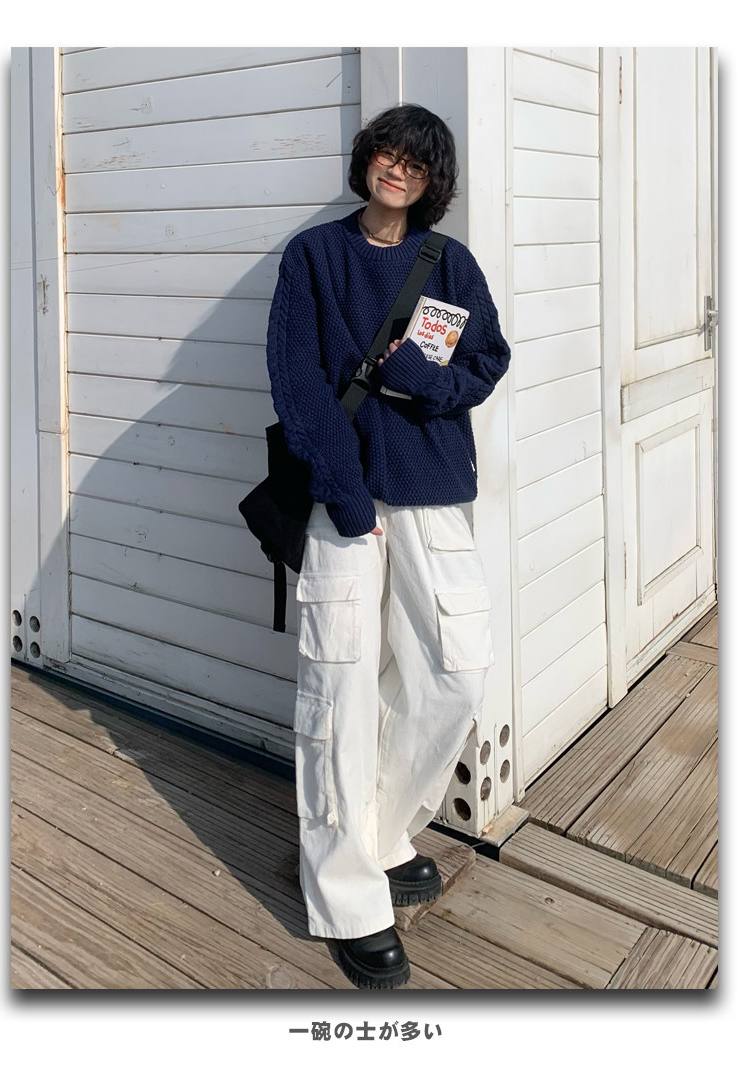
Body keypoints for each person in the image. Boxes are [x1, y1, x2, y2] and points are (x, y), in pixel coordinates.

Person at [265, 103, 511, 988]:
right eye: (386, 153)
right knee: (339, 686)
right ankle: (347, 898)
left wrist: (412, 371)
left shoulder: (450, 262)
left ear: (433, 180)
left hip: (432, 491)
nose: (397, 170)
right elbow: (297, 383)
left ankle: (374, 830)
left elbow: (486, 363)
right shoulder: (314, 256)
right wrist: (343, 494)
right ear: (365, 160)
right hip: (344, 498)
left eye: (416, 162)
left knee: (454, 672)